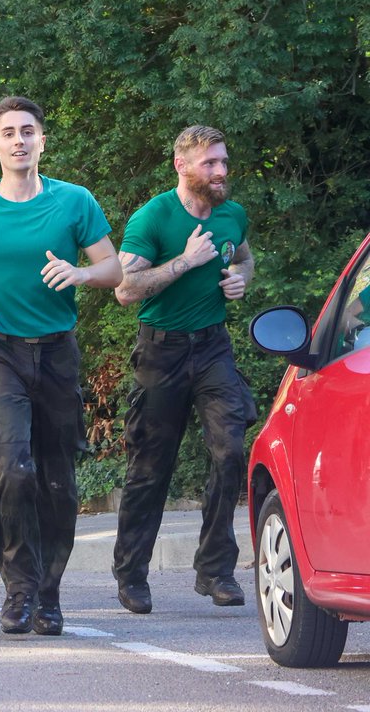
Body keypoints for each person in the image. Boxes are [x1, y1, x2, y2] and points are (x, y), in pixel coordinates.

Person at [0, 96, 121, 636]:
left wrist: (82, 276)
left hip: (57, 351)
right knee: (14, 469)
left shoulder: (74, 202)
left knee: (58, 480)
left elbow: (113, 266)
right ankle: (19, 589)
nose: (19, 140)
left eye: (28, 131)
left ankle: (50, 595)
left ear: (42, 140)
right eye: (8, 132)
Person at [111, 125, 256, 615]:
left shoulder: (232, 214)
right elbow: (126, 288)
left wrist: (237, 280)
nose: (221, 171)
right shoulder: (154, 217)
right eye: (210, 163)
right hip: (162, 352)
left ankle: (215, 569)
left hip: (213, 347)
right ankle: (131, 576)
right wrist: (185, 261)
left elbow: (245, 260)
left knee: (230, 451)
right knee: (150, 469)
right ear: (182, 165)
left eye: (223, 162)